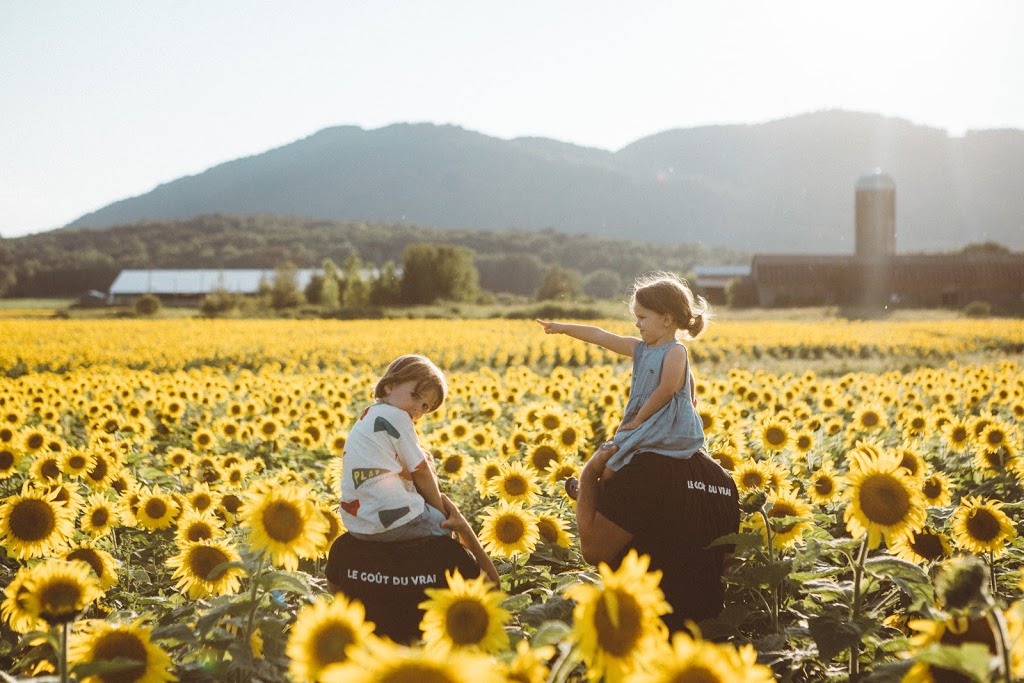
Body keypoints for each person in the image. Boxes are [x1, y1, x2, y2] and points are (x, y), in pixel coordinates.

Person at [537, 272, 711, 494]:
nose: (637, 324)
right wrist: (563, 327)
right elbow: (600, 336)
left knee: (615, 458)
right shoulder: (640, 349)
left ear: (666, 319)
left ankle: (597, 494)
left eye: (642, 317)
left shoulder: (676, 351)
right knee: (610, 454)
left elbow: (666, 390)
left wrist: (638, 419)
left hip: (664, 424)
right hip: (648, 419)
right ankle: (595, 493)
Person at [575, 440, 739, 633]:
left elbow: (594, 550)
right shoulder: (724, 479)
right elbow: (727, 562)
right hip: (707, 635)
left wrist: (589, 474)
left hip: (646, 631)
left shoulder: (644, 467)